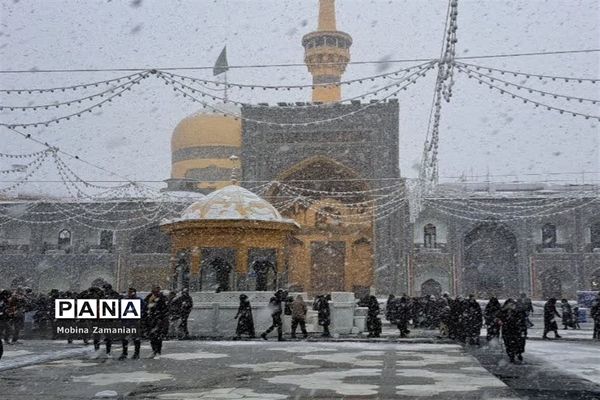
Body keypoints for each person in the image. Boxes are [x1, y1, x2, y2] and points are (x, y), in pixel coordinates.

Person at [499, 298, 528, 363]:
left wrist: (523, 329)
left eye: (512, 304)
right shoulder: (504, 311)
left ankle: (518, 353)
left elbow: (523, 319)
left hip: (517, 330)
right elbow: (499, 317)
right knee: (509, 344)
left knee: (518, 343)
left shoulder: (519, 311)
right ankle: (511, 356)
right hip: (508, 330)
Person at [144, 285, 169, 358]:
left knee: (158, 336)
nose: (155, 291)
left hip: (159, 319)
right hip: (150, 319)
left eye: (157, 290)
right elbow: (145, 305)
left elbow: (166, 308)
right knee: (151, 336)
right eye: (154, 290)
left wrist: (160, 315)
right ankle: (153, 351)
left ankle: (158, 352)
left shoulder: (162, 298)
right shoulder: (149, 297)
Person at [119, 287, 144, 360]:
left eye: (131, 292)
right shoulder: (125, 300)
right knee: (124, 338)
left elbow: (143, 309)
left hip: (134, 321)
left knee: (136, 338)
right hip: (126, 321)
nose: (129, 293)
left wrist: (140, 317)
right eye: (129, 292)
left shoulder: (138, 300)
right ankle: (124, 353)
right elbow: (120, 310)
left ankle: (136, 353)